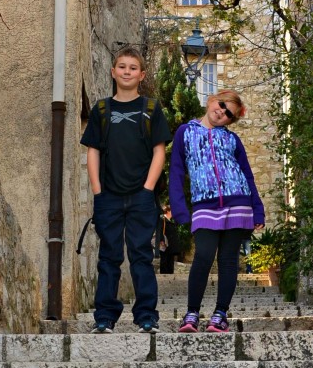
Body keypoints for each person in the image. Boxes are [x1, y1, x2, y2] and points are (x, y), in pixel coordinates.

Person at [81, 46, 171, 333]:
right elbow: (92, 151)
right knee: (108, 257)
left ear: (141, 75)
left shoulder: (151, 109)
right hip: (108, 196)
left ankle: (146, 315)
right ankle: (104, 317)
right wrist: (98, 191)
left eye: (133, 68)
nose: (127, 71)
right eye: (122, 66)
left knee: (141, 255)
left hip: (141, 197)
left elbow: (159, 152)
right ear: (113, 72)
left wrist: (147, 188)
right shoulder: (102, 109)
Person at [168, 90, 264, 332]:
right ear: (212, 100)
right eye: (222, 105)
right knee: (203, 255)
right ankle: (191, 313)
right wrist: (180, 209)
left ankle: (220, 315)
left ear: (230, 121)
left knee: (229, 260)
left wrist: (258, 209)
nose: (222, 112)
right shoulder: (185, 132)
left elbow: (248, 175)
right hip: (204, 204)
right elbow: (177, 171)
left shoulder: (233, 140)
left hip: (238, 201)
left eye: (229, 113)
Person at [157, 204, 180, 274]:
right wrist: (161, 240)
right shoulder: (162, 220)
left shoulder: (172, 221)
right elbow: (160, 230)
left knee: (170, 259)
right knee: (164, 258)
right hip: (165, 243)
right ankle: (164, 273)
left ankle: (170, 273)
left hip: (171, 244)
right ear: (168, 211)